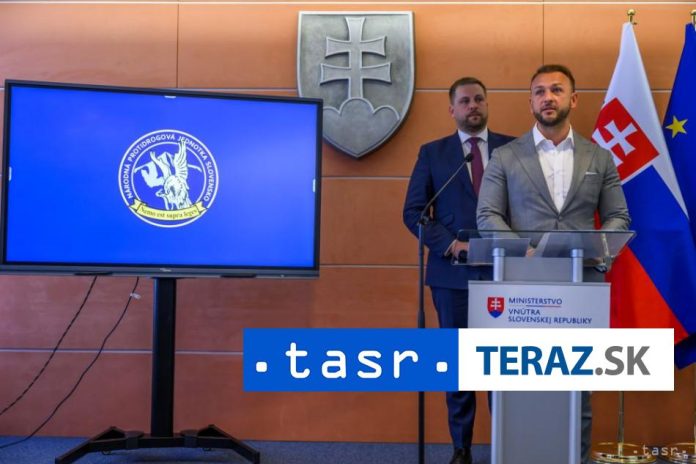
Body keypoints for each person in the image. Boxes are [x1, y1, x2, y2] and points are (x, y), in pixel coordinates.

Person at [476, 64, 631, 464]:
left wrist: (597, 248)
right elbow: (487, 216)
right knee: (519, 385)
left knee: (577, 389)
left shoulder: (600, 157)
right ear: (530, 102)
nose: (548, 97)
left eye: (557, 90)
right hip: (523, 288)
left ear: (573, 100)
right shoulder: (505, 157)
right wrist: (522, 252)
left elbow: (618, 218)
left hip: (581, 289)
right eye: (540, 91)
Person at [403, 77, 515, 464]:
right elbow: (414, 212)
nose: (473, 106)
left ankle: (506, 447)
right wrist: (451, 245)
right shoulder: (433, 154)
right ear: (452, 109)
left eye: (479, 99)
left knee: (504, 367)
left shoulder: (513, 149)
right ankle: (461, 449)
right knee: (460, 367)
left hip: (505, 273)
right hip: (453, 276)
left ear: (487, 104)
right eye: (465, 101)